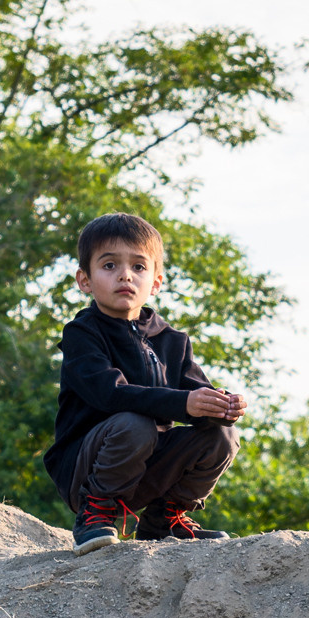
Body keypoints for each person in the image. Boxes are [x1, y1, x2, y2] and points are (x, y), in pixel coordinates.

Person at [42, 213, 247, 550]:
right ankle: (95, 515)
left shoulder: (172, 340)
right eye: (109, 266)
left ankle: (163, 519)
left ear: (155, 283)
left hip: (150, 466)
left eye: (139, 267)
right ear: (85, 280)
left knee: (222, 435)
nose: (125, 274)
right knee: (134, 423)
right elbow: (110, 394)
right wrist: (184, 403)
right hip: (87, 468)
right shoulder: (82, 334)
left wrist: (224, 405)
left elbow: (198, 396)